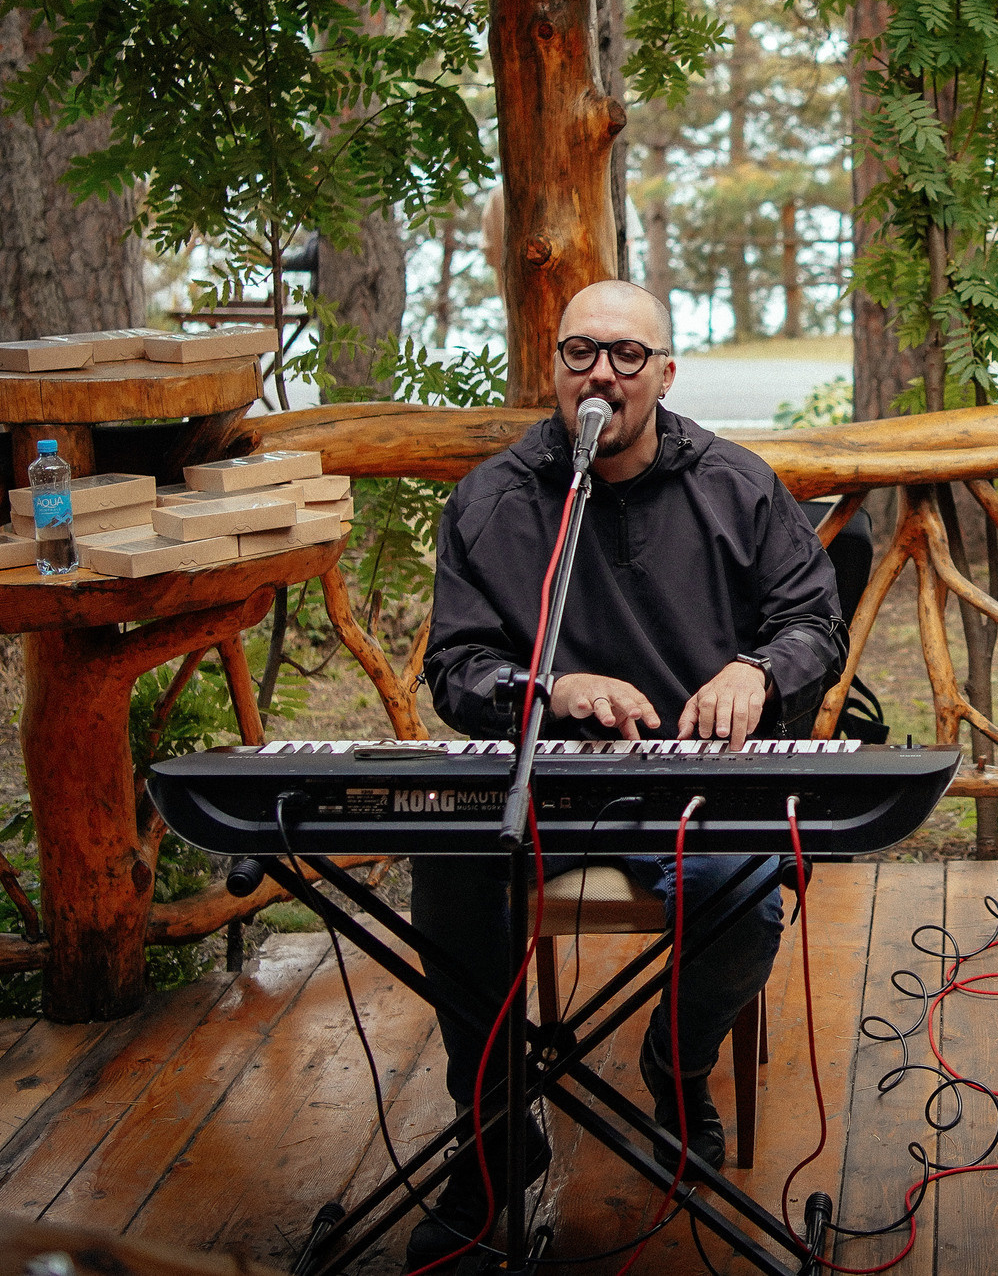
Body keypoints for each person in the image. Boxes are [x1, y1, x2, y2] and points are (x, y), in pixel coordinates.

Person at [406, 280, 846, 1268]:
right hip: (543, 790)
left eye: (627, 354)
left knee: (747, 897)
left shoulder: (735, 485)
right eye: (580, 352)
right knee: (449, 873)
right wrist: (549, 687)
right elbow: (456, 665)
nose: (600, 373)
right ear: (554, 366)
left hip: (693, 791)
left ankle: (675, 1066)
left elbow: (814, 622)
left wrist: (756, 670)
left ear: (665, 373)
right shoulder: (491, 500)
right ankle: (493, 1129)